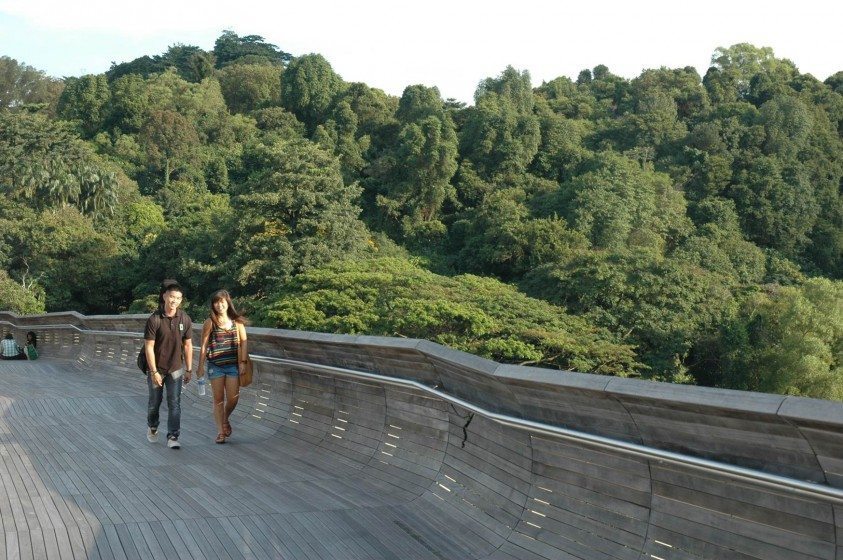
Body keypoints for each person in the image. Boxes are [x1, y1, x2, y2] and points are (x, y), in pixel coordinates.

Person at [144, 280, 193, 449]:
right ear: (165, 296)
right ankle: (152, 426)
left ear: (181, 300)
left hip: (176, 369)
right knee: (154, 403)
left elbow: (187, 345)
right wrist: (153, 371)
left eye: (178, 298)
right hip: (157, 369)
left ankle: (173, 436)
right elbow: (149, 347)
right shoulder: (154, 319)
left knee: (175, 402)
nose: (174, 301)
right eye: (171, 297)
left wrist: (189, 368)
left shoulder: (184, 318)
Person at [197, 289, 248, 444]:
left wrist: (243, 362)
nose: (220, 305)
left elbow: (244, 342)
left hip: (233, 365)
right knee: (218, 399)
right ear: (213, 305)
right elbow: (204, 346)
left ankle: (225, 417)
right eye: (216, 302)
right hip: (215, 365)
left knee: (233, 398)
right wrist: (200, 366)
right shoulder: (210, 322)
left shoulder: (236, 322)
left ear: (228, 303)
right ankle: (220, 432)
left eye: (222, 302)